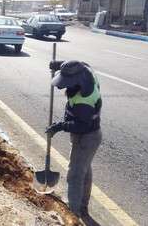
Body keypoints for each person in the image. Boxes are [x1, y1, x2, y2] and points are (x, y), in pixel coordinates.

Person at [45, 60, 102, 219]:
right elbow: (76, 64)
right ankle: (82, 206)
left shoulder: (84, 101)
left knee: (75, 174)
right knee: (84, 169)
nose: (62, 86)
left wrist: (59, 126)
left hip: (85, 137)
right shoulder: (86, 71)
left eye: (66, 84)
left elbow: (81, 125)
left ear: (77, 82)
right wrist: (59, 65)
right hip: (91, 134)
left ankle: (73, 213)